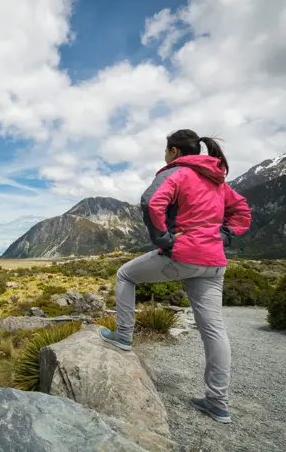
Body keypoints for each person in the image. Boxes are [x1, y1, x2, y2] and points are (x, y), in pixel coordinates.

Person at [99, 129, 251, 424]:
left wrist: (165, 240)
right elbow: (242, 210)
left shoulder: (178, 173)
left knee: (125, 275)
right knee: (214, 329)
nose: (164, 155)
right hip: (215, 261)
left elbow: (151, 202)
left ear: (175, 151)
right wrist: (225, 234)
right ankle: (218, 403)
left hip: (184, 253)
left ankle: (124, 337)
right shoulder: (217, 179)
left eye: (166, 150)